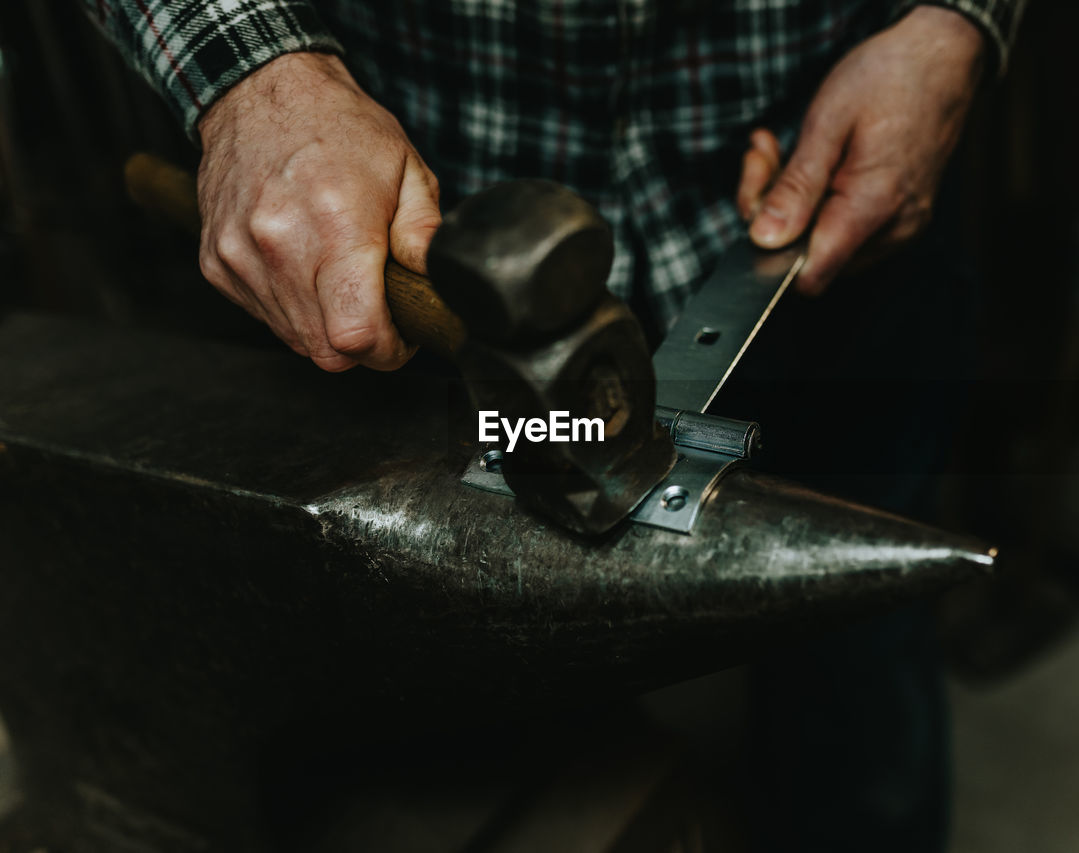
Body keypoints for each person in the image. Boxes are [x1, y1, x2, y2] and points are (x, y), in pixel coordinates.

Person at [85, 0, 1024, 848]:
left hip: (824, 195)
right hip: (402, 210)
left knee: (860, 690)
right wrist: (253, 78)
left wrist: (951, 27)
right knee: (440, 745)